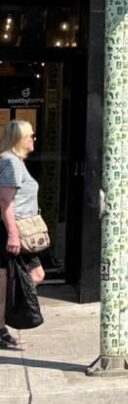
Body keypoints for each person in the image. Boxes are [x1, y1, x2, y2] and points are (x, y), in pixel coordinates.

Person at [0, 121, 45, 350]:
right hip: (14, 231)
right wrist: (13, 235)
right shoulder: (10, 162)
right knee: (8, 282)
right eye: (30, 136)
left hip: (19, 231)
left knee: (33, 276)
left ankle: (6, 322)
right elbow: (5, 201)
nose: (33, 140)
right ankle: (1, 330)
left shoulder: (16, 162)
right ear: (20, 139)